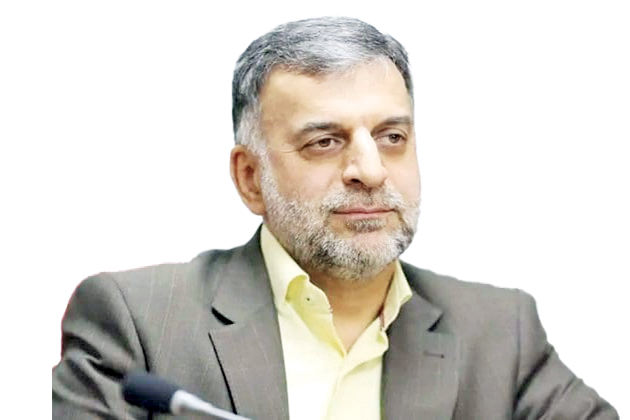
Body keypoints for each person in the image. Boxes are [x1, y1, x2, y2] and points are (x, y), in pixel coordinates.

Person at [52, 16, 618, 419]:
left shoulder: (499, 332)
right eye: (324, 142)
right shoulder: (138, 324)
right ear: (250, 178)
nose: (370, 171)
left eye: (391, 137)